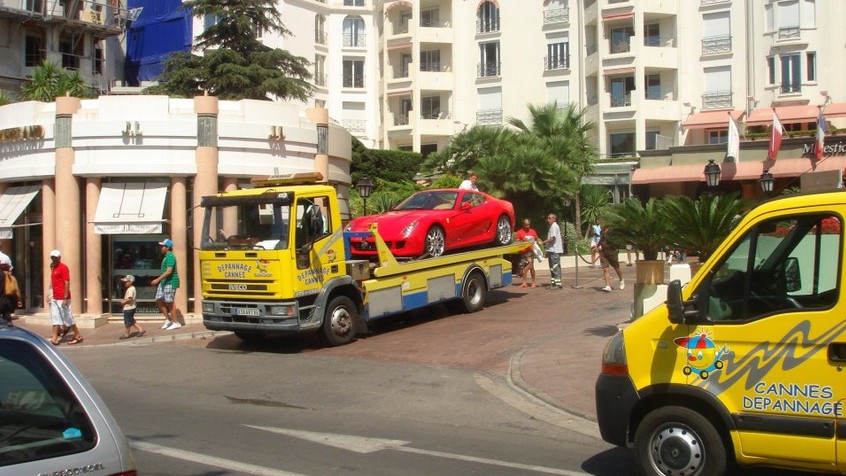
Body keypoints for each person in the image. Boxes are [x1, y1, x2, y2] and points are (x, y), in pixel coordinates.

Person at [48, 250, 83, 345]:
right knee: (55, 317)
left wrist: (65, 297)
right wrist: (50, 295)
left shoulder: (63, 267)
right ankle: (55, 337)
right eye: (52, 257)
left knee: (67, 317)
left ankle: (77, 335)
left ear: (59, 257)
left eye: (55, 257)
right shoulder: (53, 268)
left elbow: (66, 282)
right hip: (55, 296)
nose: (53, 259)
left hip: (62, 297)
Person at [151, 238, 181, 330]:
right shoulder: (166, 257)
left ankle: (176, 322)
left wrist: (157, 279)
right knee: (159, 299)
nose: (161, 248)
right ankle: (168, 319)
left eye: (162, 246)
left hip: (170, 282)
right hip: (164, 282)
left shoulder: (170, 256)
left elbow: (169, 271)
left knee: (170, 302)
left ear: (167, 247)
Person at [515, 219, 540, 288]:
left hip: (530, 252)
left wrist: (538, 243)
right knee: (522, 268)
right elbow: (517, 242)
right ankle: (524, 282)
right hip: (522, 252)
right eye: (526, 225)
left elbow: (537, 239)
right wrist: (522, 240)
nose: (527, 226)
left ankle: (533, 282)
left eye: (528, 224)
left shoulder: (532, 231)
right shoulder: (519, 232)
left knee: (531, 267)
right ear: (523, 225)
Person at [119, 275, 145, 339]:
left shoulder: (130, 289)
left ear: (130, 282)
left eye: (126, 282)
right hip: (131, 307)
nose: (124, 283)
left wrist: (123, 303)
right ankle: (140, 329)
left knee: (127, 321)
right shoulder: (132, 288)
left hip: (129, 308)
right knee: (131, 320)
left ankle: (126, 334)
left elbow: (129, 299)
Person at [543, 213, 563, 289]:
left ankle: (557, 284)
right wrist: (547, 251)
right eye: (548, 218)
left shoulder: (554, 226)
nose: (548, 220)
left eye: (549, 218)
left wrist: (544, 242)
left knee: (555, 267)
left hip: (554, 250)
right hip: (552, 250)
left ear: (554, 219)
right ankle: (554, 283)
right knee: (553, 267)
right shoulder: (552, 227)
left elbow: (552, 238)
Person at [0, 252, 20, 323]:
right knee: (7, 319)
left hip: (1, 301)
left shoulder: (1, 275)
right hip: (8, 302)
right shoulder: (11, 277)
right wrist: (18, 300)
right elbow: (16, 290)